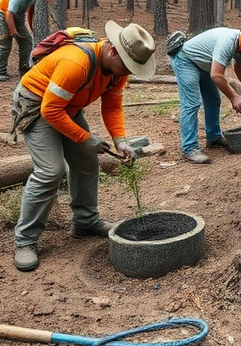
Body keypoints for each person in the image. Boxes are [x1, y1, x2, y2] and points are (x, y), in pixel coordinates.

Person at [9, 20, 157, 272]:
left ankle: (85, 221)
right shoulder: (76, 63)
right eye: (128, 66)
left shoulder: (117, 71)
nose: (128, 72)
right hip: (37, 105)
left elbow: (112, 107)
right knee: (50, 171)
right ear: (112, 51)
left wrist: (120, 140)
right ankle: (25, 240)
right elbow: (50, 110)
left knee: (87, 161)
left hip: (67, 106)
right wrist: (85, 138)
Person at [171, 23, 241, 164]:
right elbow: (217, 75)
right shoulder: (227, 41)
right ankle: (190, 148)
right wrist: (234, 97)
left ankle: (213, 137)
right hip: (186, 61)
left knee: (213, 99)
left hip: (204, 65)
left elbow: (240, 71)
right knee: (192, 103)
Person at [0, 0, 49, 82]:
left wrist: (32, 28)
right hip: (2, 13)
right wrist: (13, 31)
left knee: (27, 41)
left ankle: (24, 68)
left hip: (18, 16)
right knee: (5, 43)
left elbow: (30, 13)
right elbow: (9, 15)